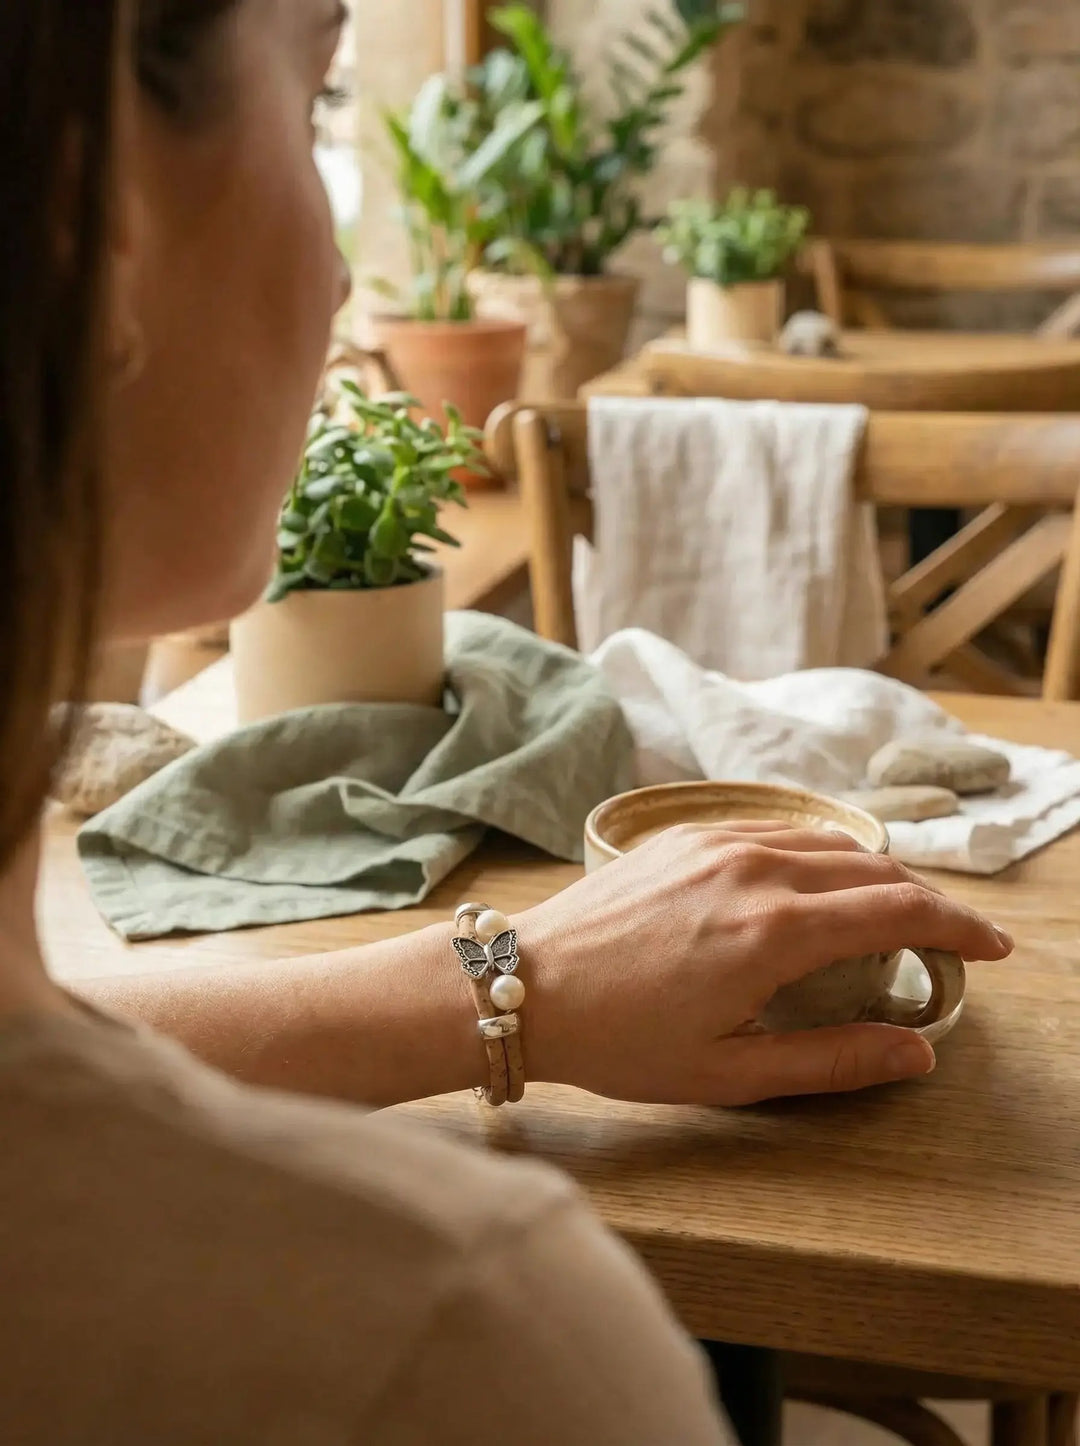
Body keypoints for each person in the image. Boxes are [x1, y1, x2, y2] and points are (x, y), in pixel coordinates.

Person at [0, 2, 1012, 1441]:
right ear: (85, 222)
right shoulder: (453, 1338)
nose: (351, 269)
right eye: (311, 110)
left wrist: (503, 980)